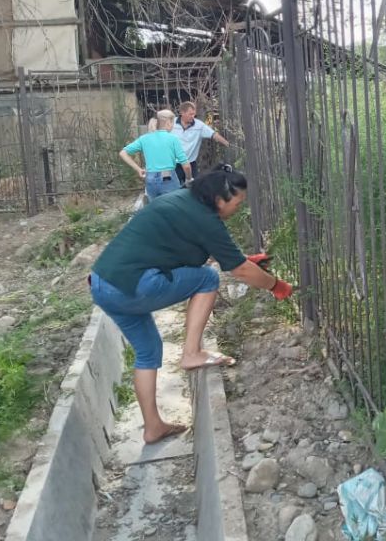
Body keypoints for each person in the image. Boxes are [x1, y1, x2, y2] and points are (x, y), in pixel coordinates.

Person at [89, 166, 294, 444]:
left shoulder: (183, 201)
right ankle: (192, 352)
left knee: (148, 351)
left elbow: (219, 256)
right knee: (207, 279)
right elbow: (240, 272)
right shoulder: (206, 219)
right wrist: (276, 285)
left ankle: (153, 427)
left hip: (103, 284)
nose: (238, 207)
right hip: (132, 285)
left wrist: (242, 259)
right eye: (238, 202)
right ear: (220, 200)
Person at [120, 109, 192, 200]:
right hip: (168, 177)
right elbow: (186, 166)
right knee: (173, 208)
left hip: (150, 178)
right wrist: (189, 179)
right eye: (172, 122)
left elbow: (123, 153)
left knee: (156, 210)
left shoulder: (144, 138)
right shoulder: (173, 139)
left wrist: (138, 169)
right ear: (168, 123)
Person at [171, 100, 230, 183]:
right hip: (174, 164)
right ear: (182, 113)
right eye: (190, 114)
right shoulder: (171, 123)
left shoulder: (199, 125)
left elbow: (213, 135)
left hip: (190, 163)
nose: (193, 116)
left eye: (194, 114)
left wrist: (227, 143)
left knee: (194, 188)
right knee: (174, 190)